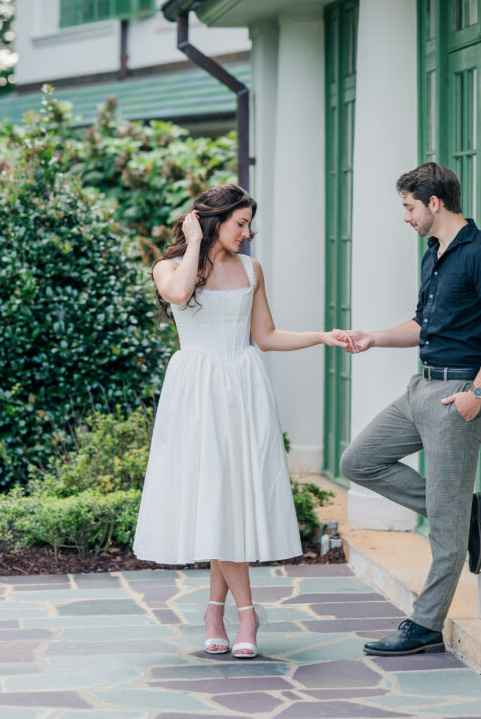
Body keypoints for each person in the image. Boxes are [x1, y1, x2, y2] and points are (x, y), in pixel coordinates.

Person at [133, 183, 343, 659]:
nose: (247, 234)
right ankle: (246, 614)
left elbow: (266, 337)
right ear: (213, 220)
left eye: (249, 224)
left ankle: (215, 611)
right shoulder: (169, 267)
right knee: (214, 494)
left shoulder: (252, 269)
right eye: (240, 223)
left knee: (229, 499)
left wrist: (322, 336)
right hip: (196, 389)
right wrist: (193, 242)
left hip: (244, 387)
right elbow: (179, 294)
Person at [339, 163, 481, 656]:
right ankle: (462, 512)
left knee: (444, 529)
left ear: (434, 203)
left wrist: (476, 393)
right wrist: (373, 338)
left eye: (409, 207)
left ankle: (425, 625)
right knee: (359, 461)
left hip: (458, 393)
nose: (406, 216)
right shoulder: (433, 253)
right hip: (421, 387)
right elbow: (423, 324)